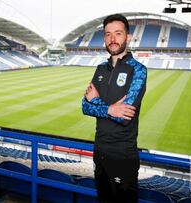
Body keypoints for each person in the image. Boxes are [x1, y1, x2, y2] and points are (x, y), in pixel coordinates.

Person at [82, 14, 147, 203]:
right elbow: (85, 106)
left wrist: (99, 104)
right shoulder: (100, 69)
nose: (112, 39)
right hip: (100, 153)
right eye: (108, 34)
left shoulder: (138, 70)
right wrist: (110, 109)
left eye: (118, 33)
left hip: (123, 157)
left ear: (128, 37)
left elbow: (124, 116)